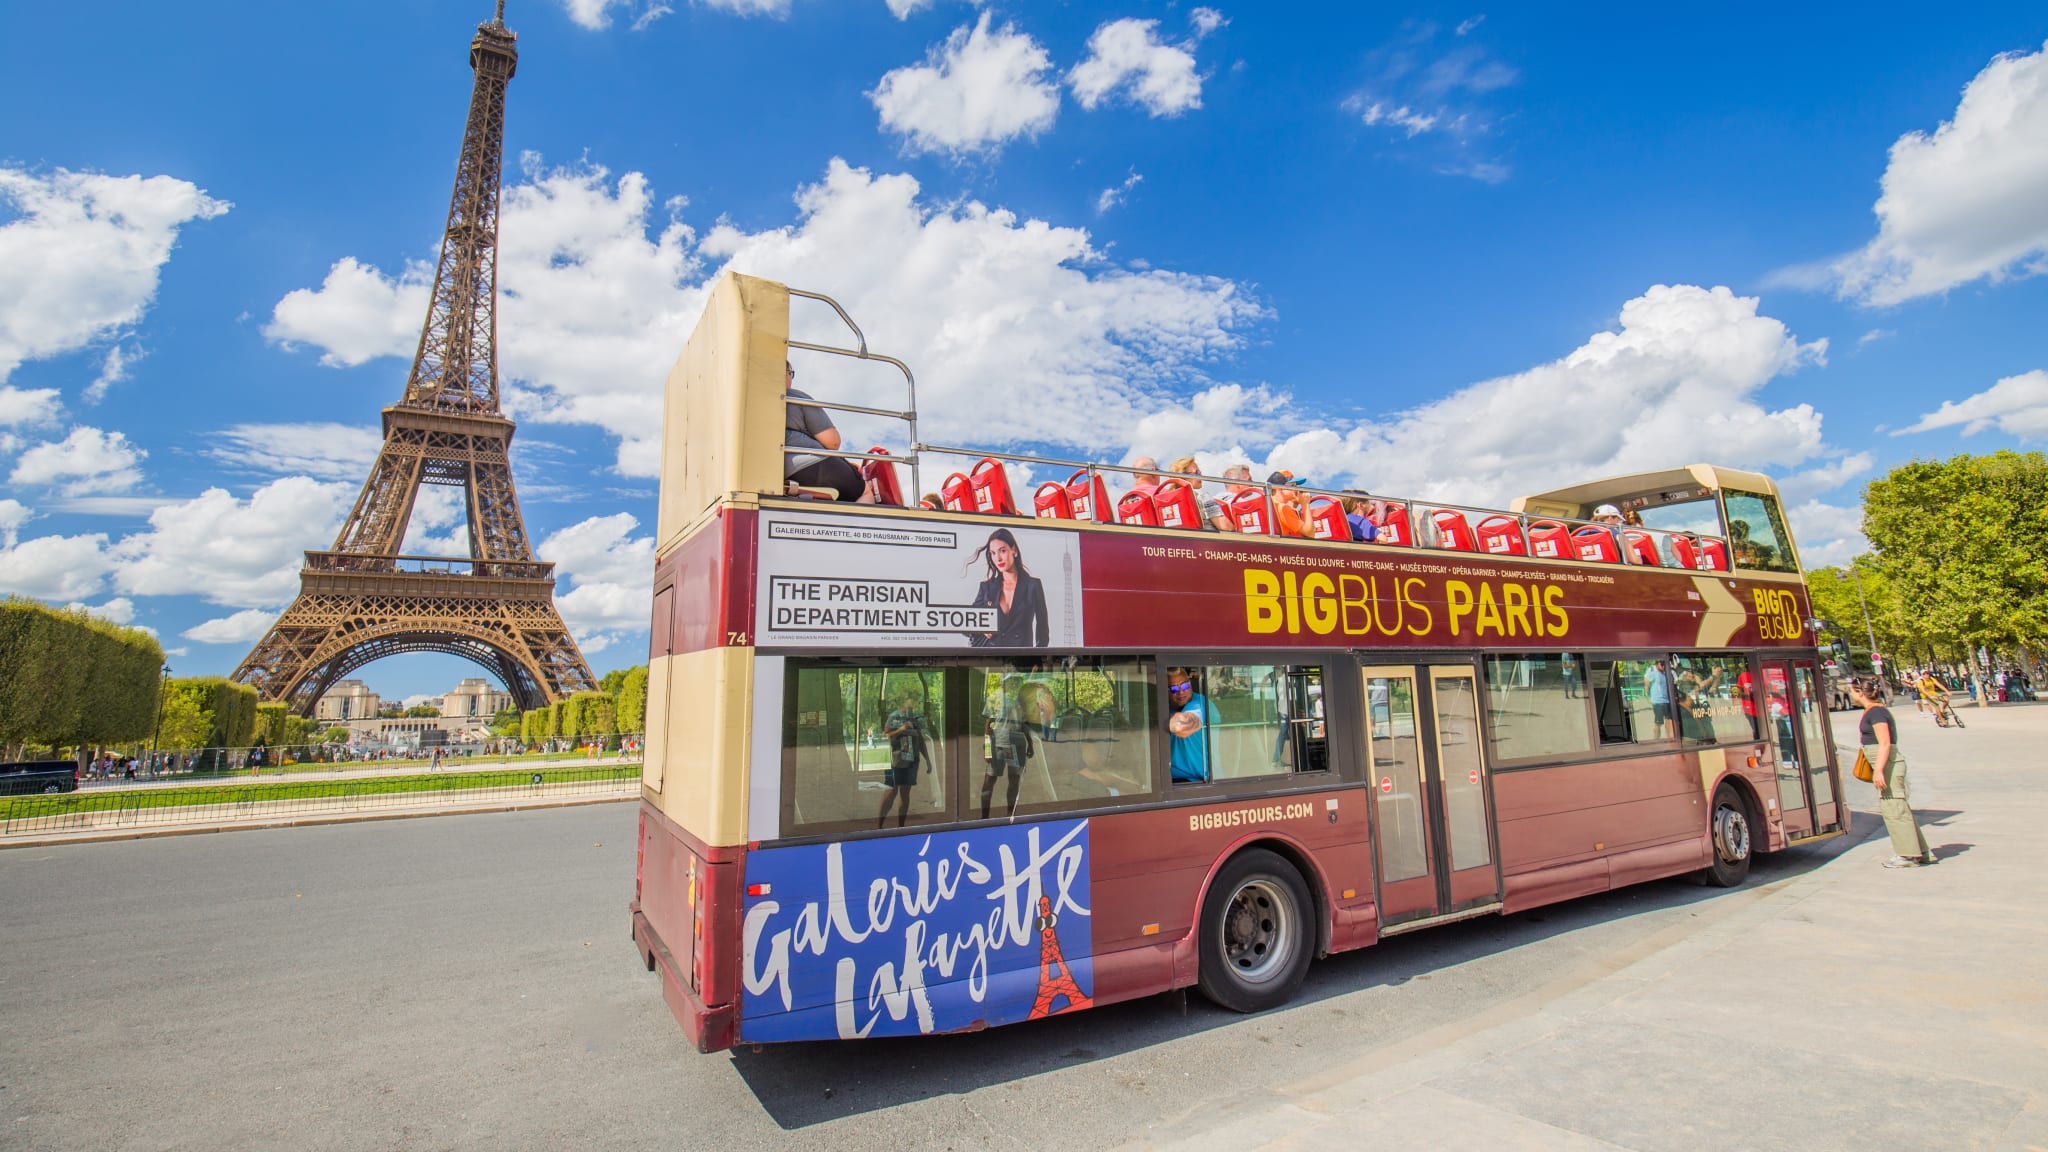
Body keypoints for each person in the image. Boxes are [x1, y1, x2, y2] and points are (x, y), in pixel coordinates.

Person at [1851, 676, 1935, 868]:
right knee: (1899, 809)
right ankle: (1919, 851)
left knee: (1894, 809)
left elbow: (1885, 742)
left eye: (1852, 690)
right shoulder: (1874, 711)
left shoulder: (1876, 713)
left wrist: (1879, 770)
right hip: (1886, 764)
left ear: (1860, 692)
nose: (1850, 693)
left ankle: (1907, 855)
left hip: (1888, 765)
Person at [783, 362, 866, 502]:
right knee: (864, 491)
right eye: (790, 373)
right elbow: (833, 442)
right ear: (784, 372)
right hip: (810, 465)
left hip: (780, 473)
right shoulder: (795, 397)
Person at [967, 528, 1048, 647]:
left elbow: (1043, 630)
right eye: (993, 553)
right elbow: (966, 622)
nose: (998, 558)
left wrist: (1037, 659)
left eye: (1002, 551)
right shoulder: (987, 587)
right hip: (991, 659)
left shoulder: (1033, 585)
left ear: (1013, 550)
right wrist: (981, 628)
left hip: (1021, 658)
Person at [981, 675, 1033, 819]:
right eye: (1011, 680)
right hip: (998, 746)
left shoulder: (1018, 700)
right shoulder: (994, 698)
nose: (1013, 683)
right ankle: (984, 817)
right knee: (989, 781)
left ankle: (1011, 814)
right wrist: (986, 749)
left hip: (1015, 746)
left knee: (1014, 780)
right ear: (1004, 681)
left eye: (1015, 680)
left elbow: (1023, 724)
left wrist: (1030, 743)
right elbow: (987, 726)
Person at [879, 683, 930, 829]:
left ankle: (901, 826)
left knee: (905, 793)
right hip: (896, 760)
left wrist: (928, 760)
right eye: (912, 699)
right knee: (891, 791)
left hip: (912, 760)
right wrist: (901, 729)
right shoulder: (894, 716)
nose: (914, 703)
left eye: (916, 700)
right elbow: (886, 735)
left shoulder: (916, 717)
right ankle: (879, 825)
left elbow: (920, 740)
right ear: (904, 701)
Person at [1166, 667, 1217, 783]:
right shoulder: (1165, 706)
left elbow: (1185, 724)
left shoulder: (1201, 704)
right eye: (1173, 688)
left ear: (1190, 684)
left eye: (1185, 686)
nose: (1181, 692)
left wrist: (1162, 722)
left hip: (1198, 781)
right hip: (1168, 779)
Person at [1169, 456, 1232, 532]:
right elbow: (1224, 526)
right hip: (1207, 540)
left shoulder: (1170, 498)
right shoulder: (1202, 495)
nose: (1201, 476)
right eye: (1197, 472)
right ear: (1184, 476)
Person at [1644, 659, 1678, 740]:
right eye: (1662, 664)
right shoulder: (1652, 671)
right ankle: (1656, 740)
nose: (1663, 666)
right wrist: (1648, 698)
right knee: (1658, 722)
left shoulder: (1666, 672)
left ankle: (1669, 739)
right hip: (1657, 702)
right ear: (1657, 664)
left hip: (1667, 701)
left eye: (1664, 663)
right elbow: (1646, 685)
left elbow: (1675, 683)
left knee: (1668, 721)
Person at [1267, 471, 1309, 536]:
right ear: (1279, 487)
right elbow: (1310, 533)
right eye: (1292, 485)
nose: (1296, 489)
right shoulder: (1283, 508)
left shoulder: (1269, 506)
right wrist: (1305, 505)